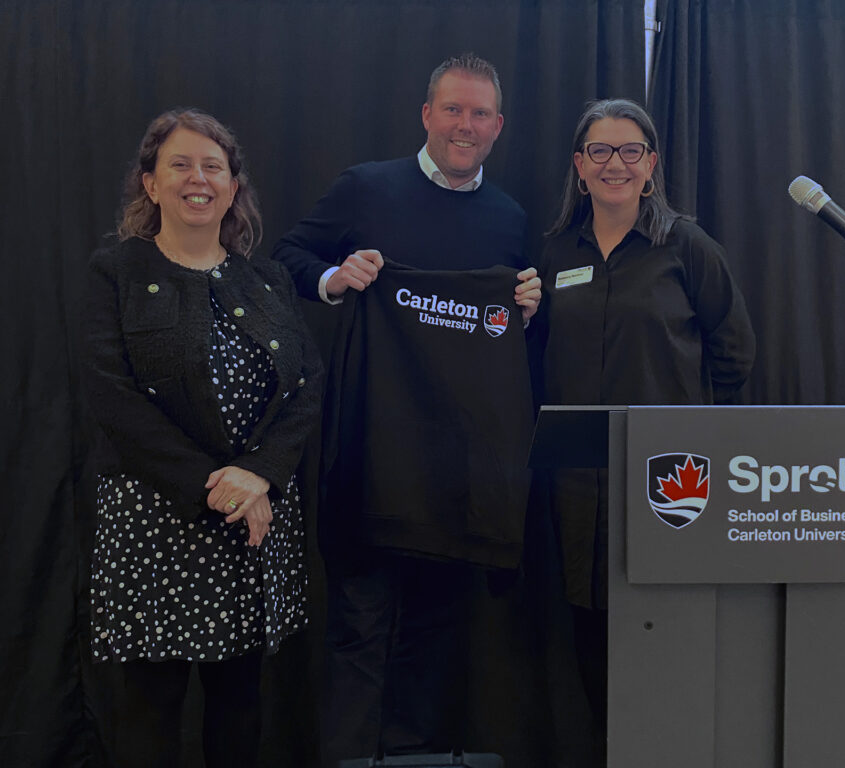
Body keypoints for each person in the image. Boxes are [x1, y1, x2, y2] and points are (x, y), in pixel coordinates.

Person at [273, 53, 541, 763]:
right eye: (453, 109)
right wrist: (336, 275)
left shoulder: (509, 220)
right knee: (358, 636)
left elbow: (508, 341)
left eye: (480, 113)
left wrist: (528, 309)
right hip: (369, 460)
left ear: (499, 126)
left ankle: (412, 756)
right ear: (427, 114)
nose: (466, 124)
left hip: (459, 478)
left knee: (432, 640)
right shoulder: (368, 189)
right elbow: (287, 256)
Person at [82, 108, 323, 768]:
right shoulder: (117, 271)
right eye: (180, 165)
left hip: (252, 522)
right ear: (151, 184)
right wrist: (215, 486)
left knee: (239, 717)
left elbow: (306, 388)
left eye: (212, 166)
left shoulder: (266, 278)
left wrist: (263, 473)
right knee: (145, 720)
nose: (198, 178)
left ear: (233, 186)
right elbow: (111, 397)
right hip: (153, 525)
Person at [538, 99, 756, 746]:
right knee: (593, 643)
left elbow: (735, 351)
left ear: (651, 164)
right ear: (580, 167)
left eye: (630, 150)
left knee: (668, 640)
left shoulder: (686, 246)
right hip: (580, 485)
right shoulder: (557, 253)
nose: (615, 164)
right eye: (600, 151)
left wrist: (691, 429)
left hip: (670, 484)